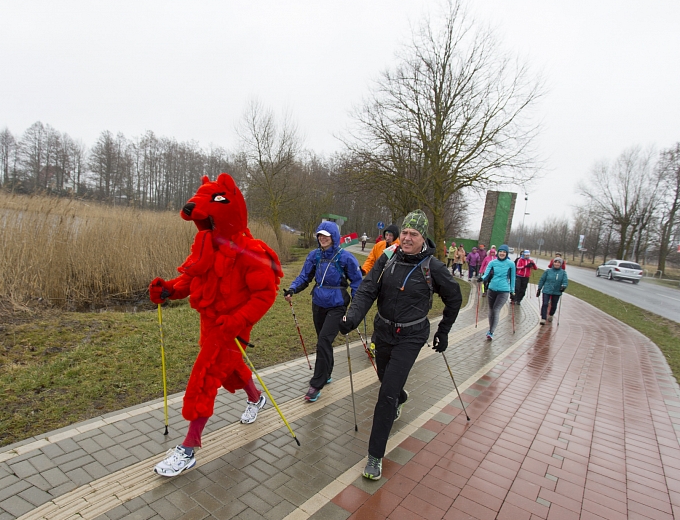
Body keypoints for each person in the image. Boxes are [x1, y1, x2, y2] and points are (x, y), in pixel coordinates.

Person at [148, 174, 282, 477]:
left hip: (234, 327)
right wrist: (169, 289)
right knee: (230, 369)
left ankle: (188, 447)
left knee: (206, 375)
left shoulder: (252, 253)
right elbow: (193, 278)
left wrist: (237, 320)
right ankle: (255, 397)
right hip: (209, 324)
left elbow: (265, 294)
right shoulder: (207, 244)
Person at [339, 210, 462, 480]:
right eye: (404, 232)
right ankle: (400, 396)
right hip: (382, 331)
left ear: (423, 238)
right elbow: (369, 289)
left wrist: (444, 331)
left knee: (385, 396)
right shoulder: (387, 258)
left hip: (411, 336)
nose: (406, 238)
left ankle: (374, 456)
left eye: (413, 234)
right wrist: (352, 317)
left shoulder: (434, 268)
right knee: (386, 382)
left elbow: (455, 299)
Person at [284, 221, 362, 401]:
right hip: (318, 303)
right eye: (320, 235)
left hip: (337, 305)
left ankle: (316, 384)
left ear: (334, 237)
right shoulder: (314, 255)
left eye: (326, 235)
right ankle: (326, 373)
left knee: (323, 341)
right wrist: (292, 289)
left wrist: (356, 306)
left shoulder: (346, 258)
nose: (322, 238)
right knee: (323, 340)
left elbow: (357, 282)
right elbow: (305, 276)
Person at [478, 244, 515, 340]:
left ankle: (491, 332)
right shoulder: (492, 263)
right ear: (498, 252)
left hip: (504, 291)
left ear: (506, 253)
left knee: (496, 309)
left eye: (504, 252)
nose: (502, 253)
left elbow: (513, 278)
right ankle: (490, 329)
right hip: (492, 288)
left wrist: (512, 291)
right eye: (500, 251)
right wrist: (481, 278)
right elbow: (486, 274)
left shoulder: (511, 264)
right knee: (491, 309)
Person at [537, 257, 568, 325]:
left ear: (561, 264)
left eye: (558, 262)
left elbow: (565, 281)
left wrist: (563, 286)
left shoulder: (563, 273)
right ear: (553, 263)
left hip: (556, 291)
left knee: (554, 305)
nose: (557, 264)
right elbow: (542, 280)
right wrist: (539, 288)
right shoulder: (548, 271)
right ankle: (543, 318)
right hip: (547, 290)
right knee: (545, 304)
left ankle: (551, 314)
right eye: (555, 262)